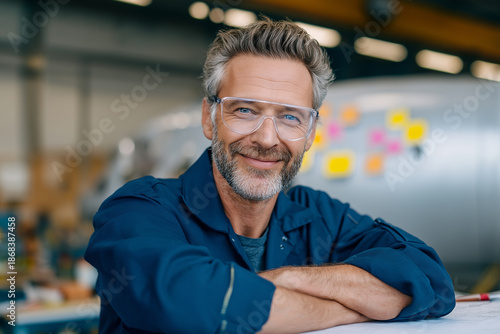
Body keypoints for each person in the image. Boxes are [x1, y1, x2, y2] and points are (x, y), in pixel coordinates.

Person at [84, 18, 455, 334]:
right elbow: (188, 302)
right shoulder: (138, 210)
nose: (265, 138)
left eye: (290, 117)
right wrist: (350, 307)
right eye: (245, 110)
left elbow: (430, 281)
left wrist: (293, 279)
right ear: (208, 119)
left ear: (309, 134)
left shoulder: (321, 217)